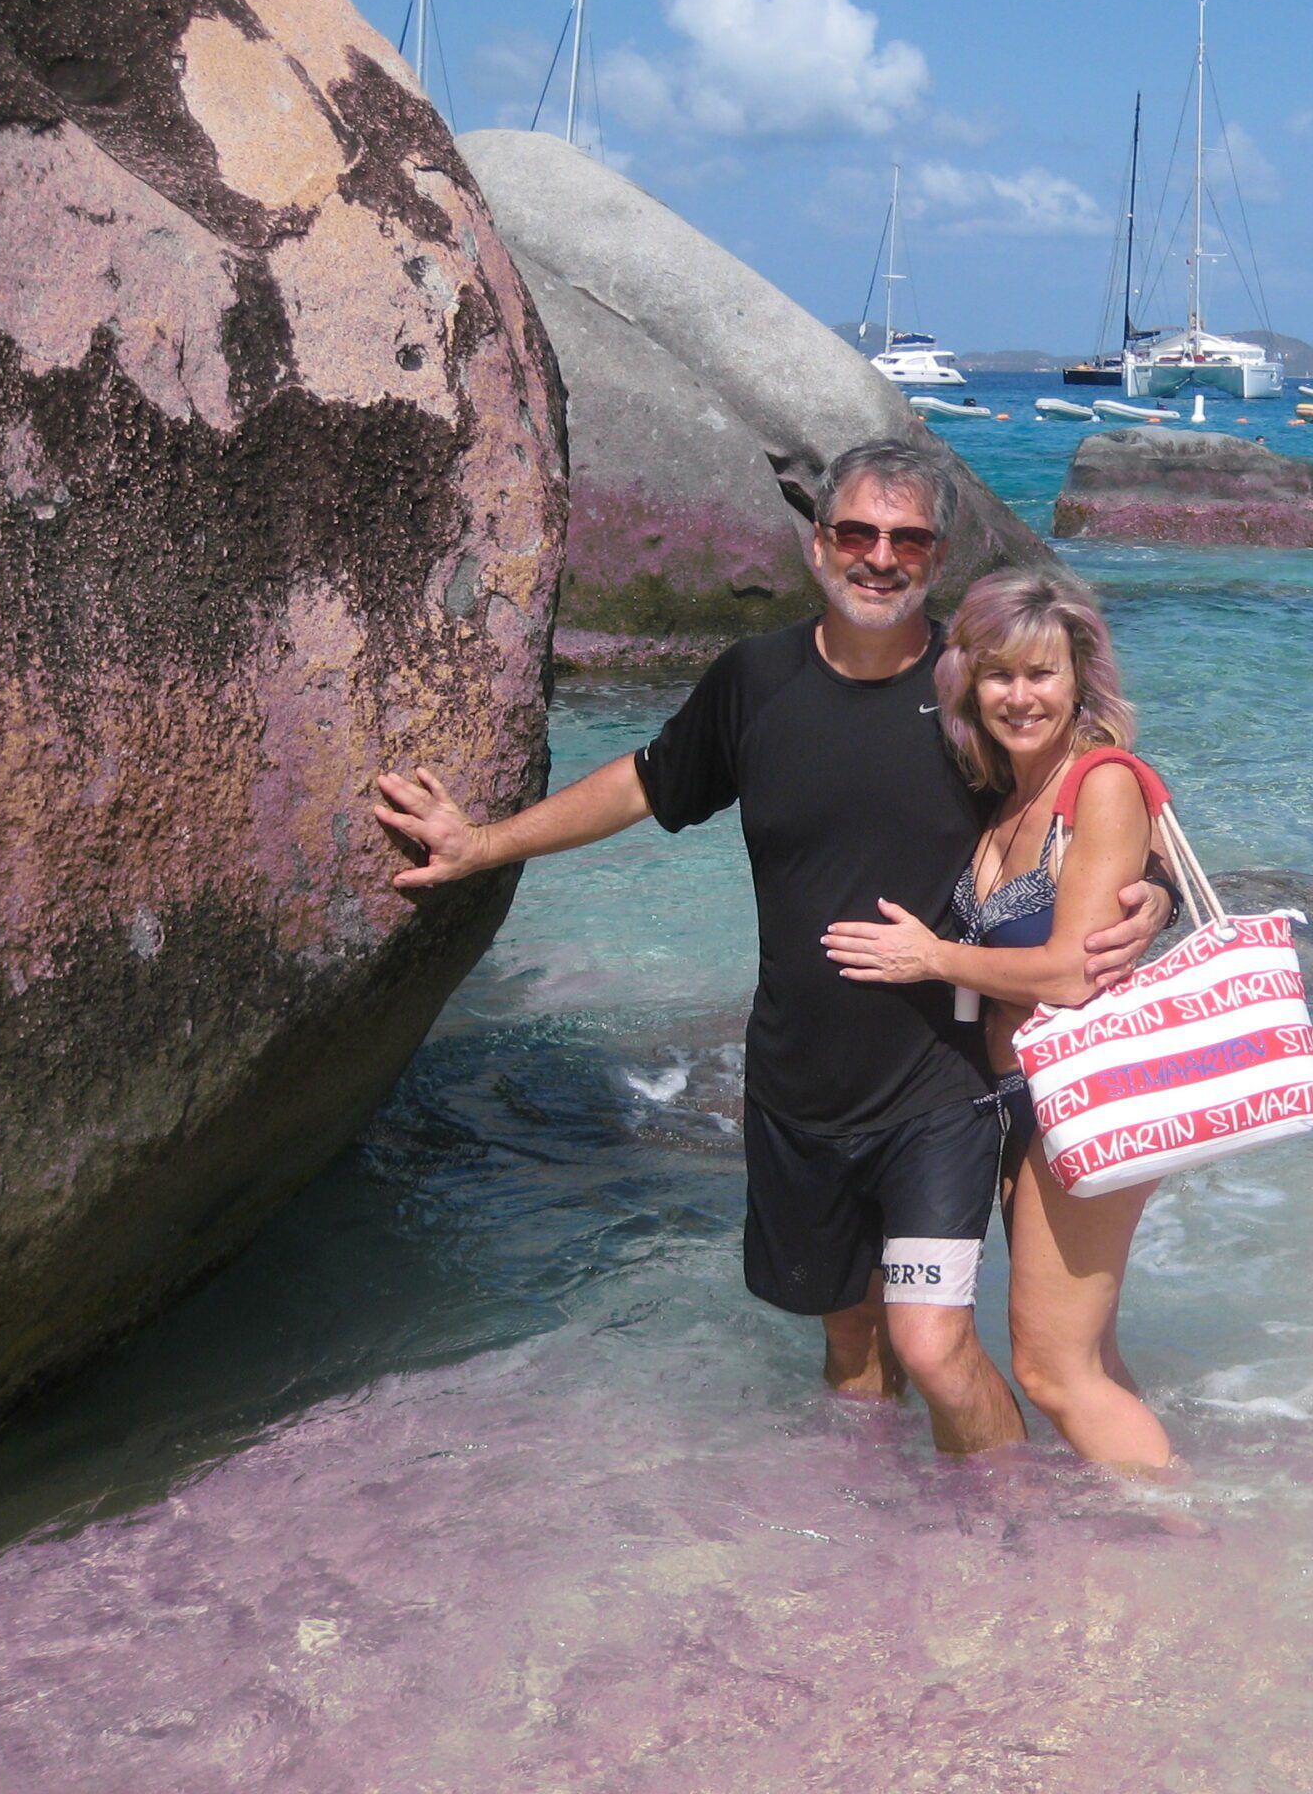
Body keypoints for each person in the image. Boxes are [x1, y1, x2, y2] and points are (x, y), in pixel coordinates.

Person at [371, 441, 1172, 1455]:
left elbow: (1079, 803)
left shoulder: (973, 692)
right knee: (848, 1350)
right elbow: (644, 784)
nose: (880, 558)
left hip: (940, 1094)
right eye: (858, 533)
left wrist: (1154, 897)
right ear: (817, 544)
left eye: (908, 540)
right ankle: (873, 1558)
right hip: (796, 1088)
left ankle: (1006, 1556)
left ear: (938, 557)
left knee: (932, 1347)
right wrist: (483, 843)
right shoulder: (756, 680)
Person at [822, 571, 1175, 1472]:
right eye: (1000, 676)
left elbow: (1067, 971)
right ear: (969, 685)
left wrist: (931, 958)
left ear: (1080, 681)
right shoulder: (1007, 792)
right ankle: (1143, 1544)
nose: (1021, 697)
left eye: (1043, 675)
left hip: (1077, 1100)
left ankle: (1190, 1546)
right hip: (1013, 1104)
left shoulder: (1098, 784)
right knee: (1083, 1357)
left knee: (1053, 1373)